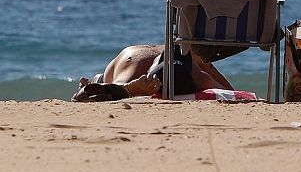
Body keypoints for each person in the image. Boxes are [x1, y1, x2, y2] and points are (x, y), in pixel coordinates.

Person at [74, 44, 234, 100]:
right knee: (204, 81)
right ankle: (126, 88)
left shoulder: (119, 60)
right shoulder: (193, 51)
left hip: (132, 56)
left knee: (120, 83)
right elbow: (231, 92)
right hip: (182, 56)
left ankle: (126, 88)